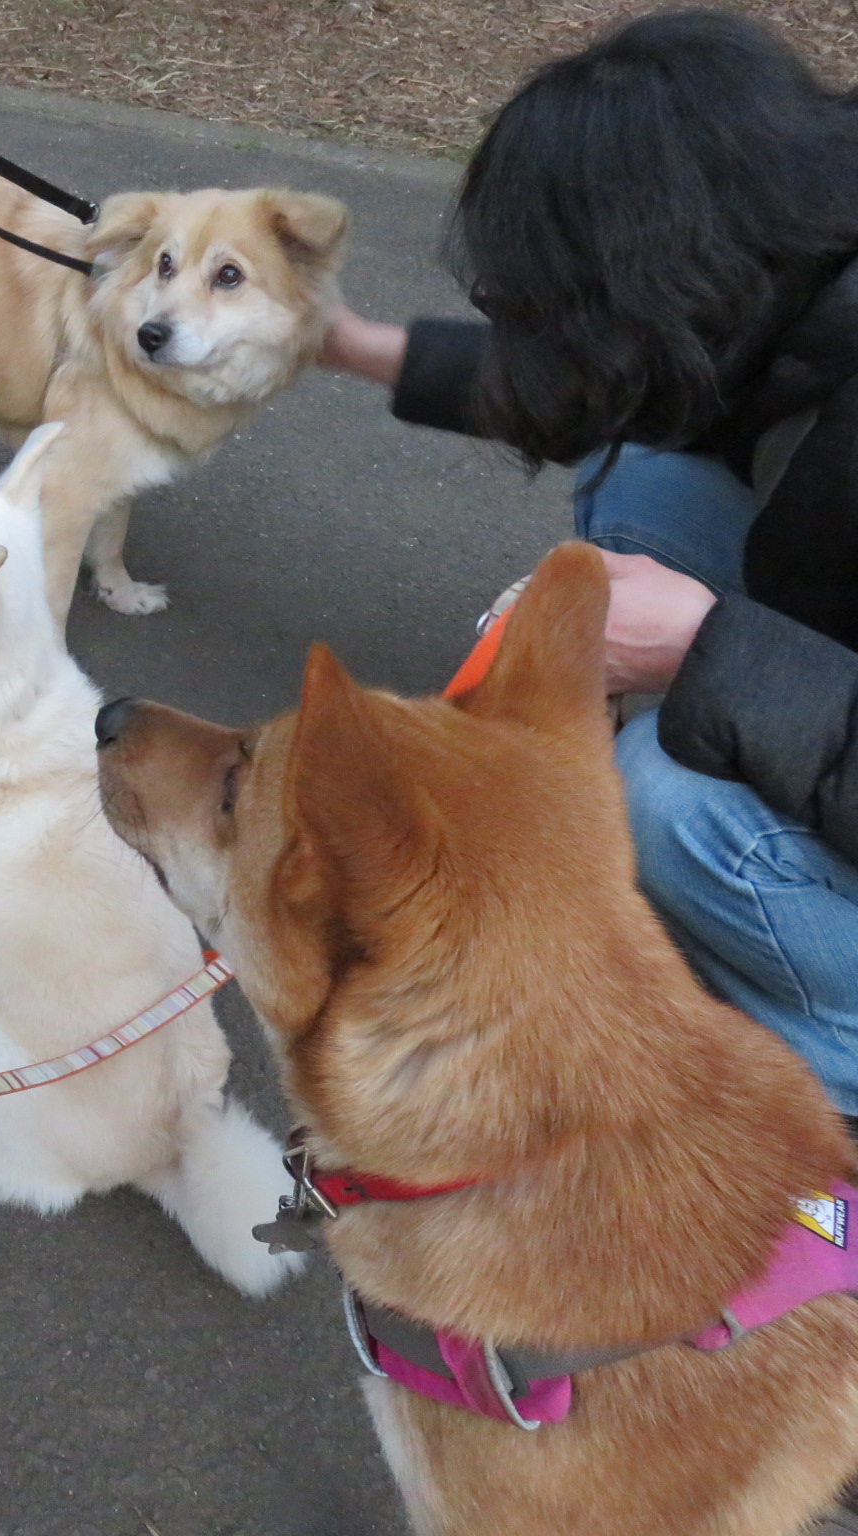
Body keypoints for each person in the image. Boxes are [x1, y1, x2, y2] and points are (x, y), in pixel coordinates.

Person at [320, 9, 858, 1132]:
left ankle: (816, 1080)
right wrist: (344, 344)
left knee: (666, 798)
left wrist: (706, 652)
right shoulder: (798, 245)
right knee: (644, 479)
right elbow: (611, 379)